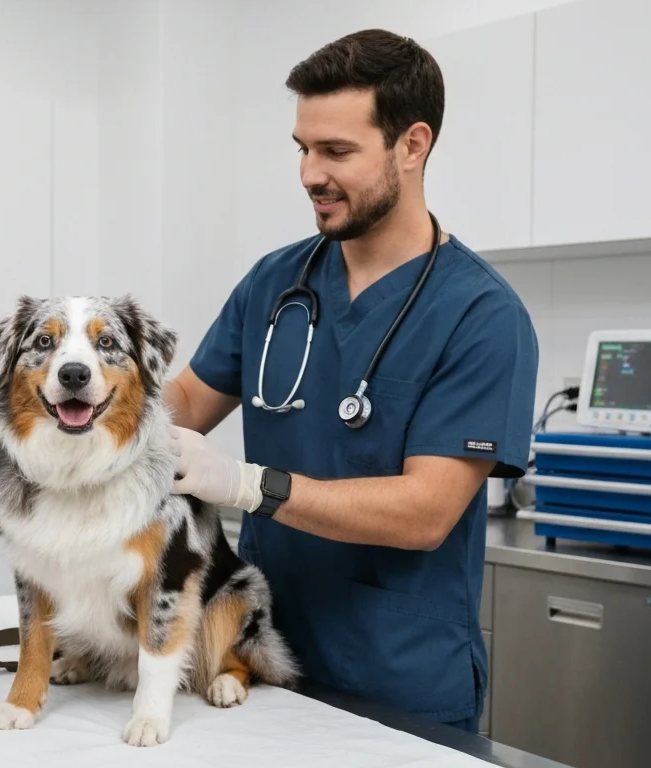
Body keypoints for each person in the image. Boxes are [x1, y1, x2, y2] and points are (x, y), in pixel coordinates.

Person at [165, 29, 538, 734]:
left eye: (336, 151)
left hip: (397, 676)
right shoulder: (275, 283)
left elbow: (425, 512)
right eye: (302, 149)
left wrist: (249, 485)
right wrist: (78, 404)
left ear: (412, 144)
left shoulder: (482, 315)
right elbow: (185, 401)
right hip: (253, 657)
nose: (310, 174)